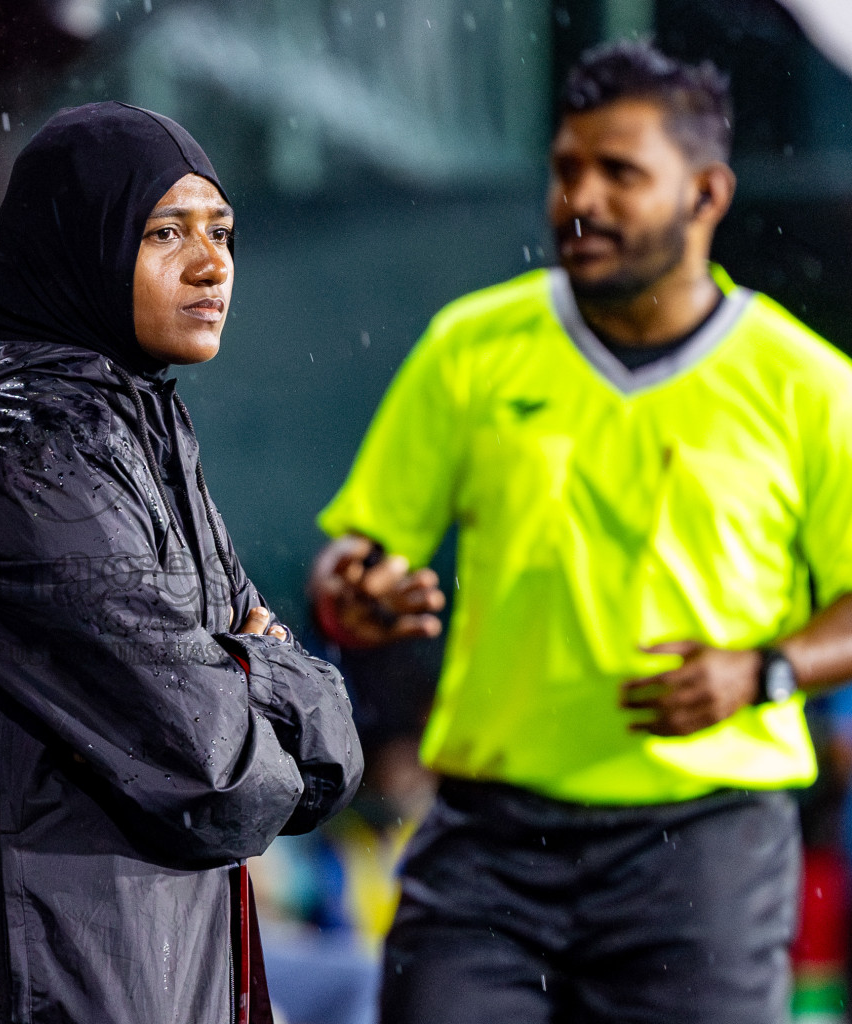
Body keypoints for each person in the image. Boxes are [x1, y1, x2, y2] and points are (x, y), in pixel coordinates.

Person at [0, 101, 362, 1024]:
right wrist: (272, 670)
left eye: (222, 233)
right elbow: (215, 770)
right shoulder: (30, 452)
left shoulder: (138, 432)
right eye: (165, 233)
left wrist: (245, 678)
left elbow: (311, 766)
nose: (212, 266)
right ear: (81, 247)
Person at [311, 41, 852, 1024]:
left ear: (707, 194)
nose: (582, 198)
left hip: (707, 846)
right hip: (487, 839)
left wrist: (764, 669)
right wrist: (355, 595)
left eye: (621, 173)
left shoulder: (806, 384)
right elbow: (354, 561)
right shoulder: (469, 347)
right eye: (567, 168)